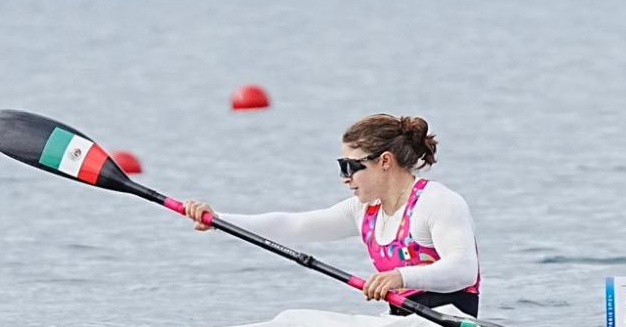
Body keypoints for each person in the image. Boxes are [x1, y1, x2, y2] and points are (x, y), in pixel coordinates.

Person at [183, 114, 480, 316]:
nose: (344, 178)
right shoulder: (364, 210)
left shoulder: (437, 202)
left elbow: (464, 269)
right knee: (296, 320)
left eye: (350, 166)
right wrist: (219, 219)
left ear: (385, 161)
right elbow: (294, 225)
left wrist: (399, 277)